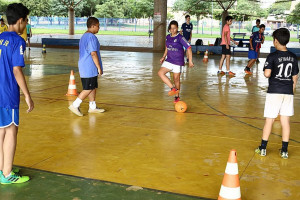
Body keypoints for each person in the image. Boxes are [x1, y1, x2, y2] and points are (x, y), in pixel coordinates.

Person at [0, 3, 34, 184]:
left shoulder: (0, 37)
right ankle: (7, 175)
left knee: (1, 132)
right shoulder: (17, 41)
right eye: (26, 21)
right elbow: (17, 70)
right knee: (12, 131)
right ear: (21, 21)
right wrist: (27, 95)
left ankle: (2, 168)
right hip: (7, 93)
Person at [255, 28, 299, 159]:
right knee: (285, 121)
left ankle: (263, 148)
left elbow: (267, 73)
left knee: (270, 120)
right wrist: (292, 88)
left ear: (276, 41)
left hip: (274, 92)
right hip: (288, 92)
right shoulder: (293, 56)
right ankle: (284, 150)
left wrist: (268, 71)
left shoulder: (272, 56)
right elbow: (295, 76)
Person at [68, 17, 105, 117]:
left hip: (85, 66)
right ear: (93, 26)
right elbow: (93, 53)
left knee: (92, 87)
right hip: (89, 66)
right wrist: (99, 67)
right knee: (88, 88)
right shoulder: (91, 37)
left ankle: (92, 107)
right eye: (98, 26)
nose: (99, 28)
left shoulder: (84, 36)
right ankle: (75, 105)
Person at [158, 20, 194, 103]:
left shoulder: (180, 37)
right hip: (169, 60)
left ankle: (177, 96)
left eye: (174, 28)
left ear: (177, 28)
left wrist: (190, 61)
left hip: (178, 61)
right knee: (160, 73)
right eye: (171, 28)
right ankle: (172, 88)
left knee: (176, 79)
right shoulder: (168, 37)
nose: (172, 30)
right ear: (169, 29)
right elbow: (167, 47)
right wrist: (163, 57)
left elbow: (189, 48)